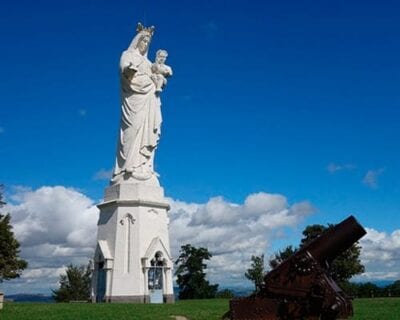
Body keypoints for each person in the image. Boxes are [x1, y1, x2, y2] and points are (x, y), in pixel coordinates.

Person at [111, 23, 167, 185]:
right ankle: (126, 167)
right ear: (137, 41)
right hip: (134, 101)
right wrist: (129, 71)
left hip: (150, 100)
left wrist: (160, 80)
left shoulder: (149, 63)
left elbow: (159, 76)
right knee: (132, 129)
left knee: (149, 131)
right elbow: (124, 73)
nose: (145, 45)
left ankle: (144, 167)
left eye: (148, 43)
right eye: (143, 41)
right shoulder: (127, 55)